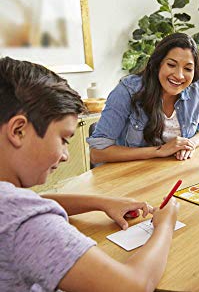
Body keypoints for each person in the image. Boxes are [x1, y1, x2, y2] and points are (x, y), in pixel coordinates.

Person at [0, 57, 180, 291]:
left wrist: (100, 202)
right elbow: (133, 286)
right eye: (63, 139)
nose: (65, 155)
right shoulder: (24, 222)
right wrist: (164, 225)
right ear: (18, 130)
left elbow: (31, 203)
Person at [88, 32, 199, 163]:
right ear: (158, 64)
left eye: (188, 69)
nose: (179, 75)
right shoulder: (127, 90)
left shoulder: (197, 89)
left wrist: (191, 143)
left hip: (175, 170)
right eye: (171, 65)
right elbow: (97, 153)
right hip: (132, 174)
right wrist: (160, 150)